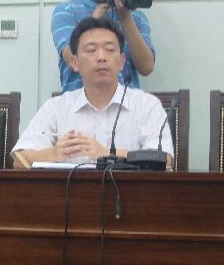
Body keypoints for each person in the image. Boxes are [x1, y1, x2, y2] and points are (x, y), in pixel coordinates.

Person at [11, 17, 173, 168]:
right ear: (75, 62)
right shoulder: (56, 107)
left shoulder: (147, 105)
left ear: (122, 61)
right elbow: (19, 161)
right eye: (91, 50)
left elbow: (165, 161)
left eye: (109, 49)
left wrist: (106, 154)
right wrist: (53, 154)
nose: (101, 57)